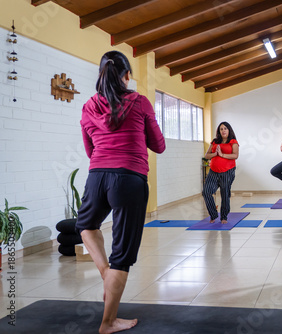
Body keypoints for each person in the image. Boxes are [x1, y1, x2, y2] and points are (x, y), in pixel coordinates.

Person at [76, 51, 165, 334]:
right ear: (127, 75)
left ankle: (106, 273)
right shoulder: (139, 102)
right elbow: (159, 145)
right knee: (121, 256)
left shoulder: (89, 105)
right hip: (129, 179)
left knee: (85, 226)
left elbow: (90, 150)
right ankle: (108, 322)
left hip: (97, 176)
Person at [202, 122, 239, 224]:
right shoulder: (214, 142)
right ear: (219, 131)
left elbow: (235, 155)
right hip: (213, 172)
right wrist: (215, 154)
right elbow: (206, 155)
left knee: (225, 194)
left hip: (228, 171)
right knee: (206, 192)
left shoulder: (233, 141)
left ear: (229, 130)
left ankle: (224, 217)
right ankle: (213, 214)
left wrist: (222, 155)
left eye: (225, 128)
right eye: (221, 129)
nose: (223, 130)